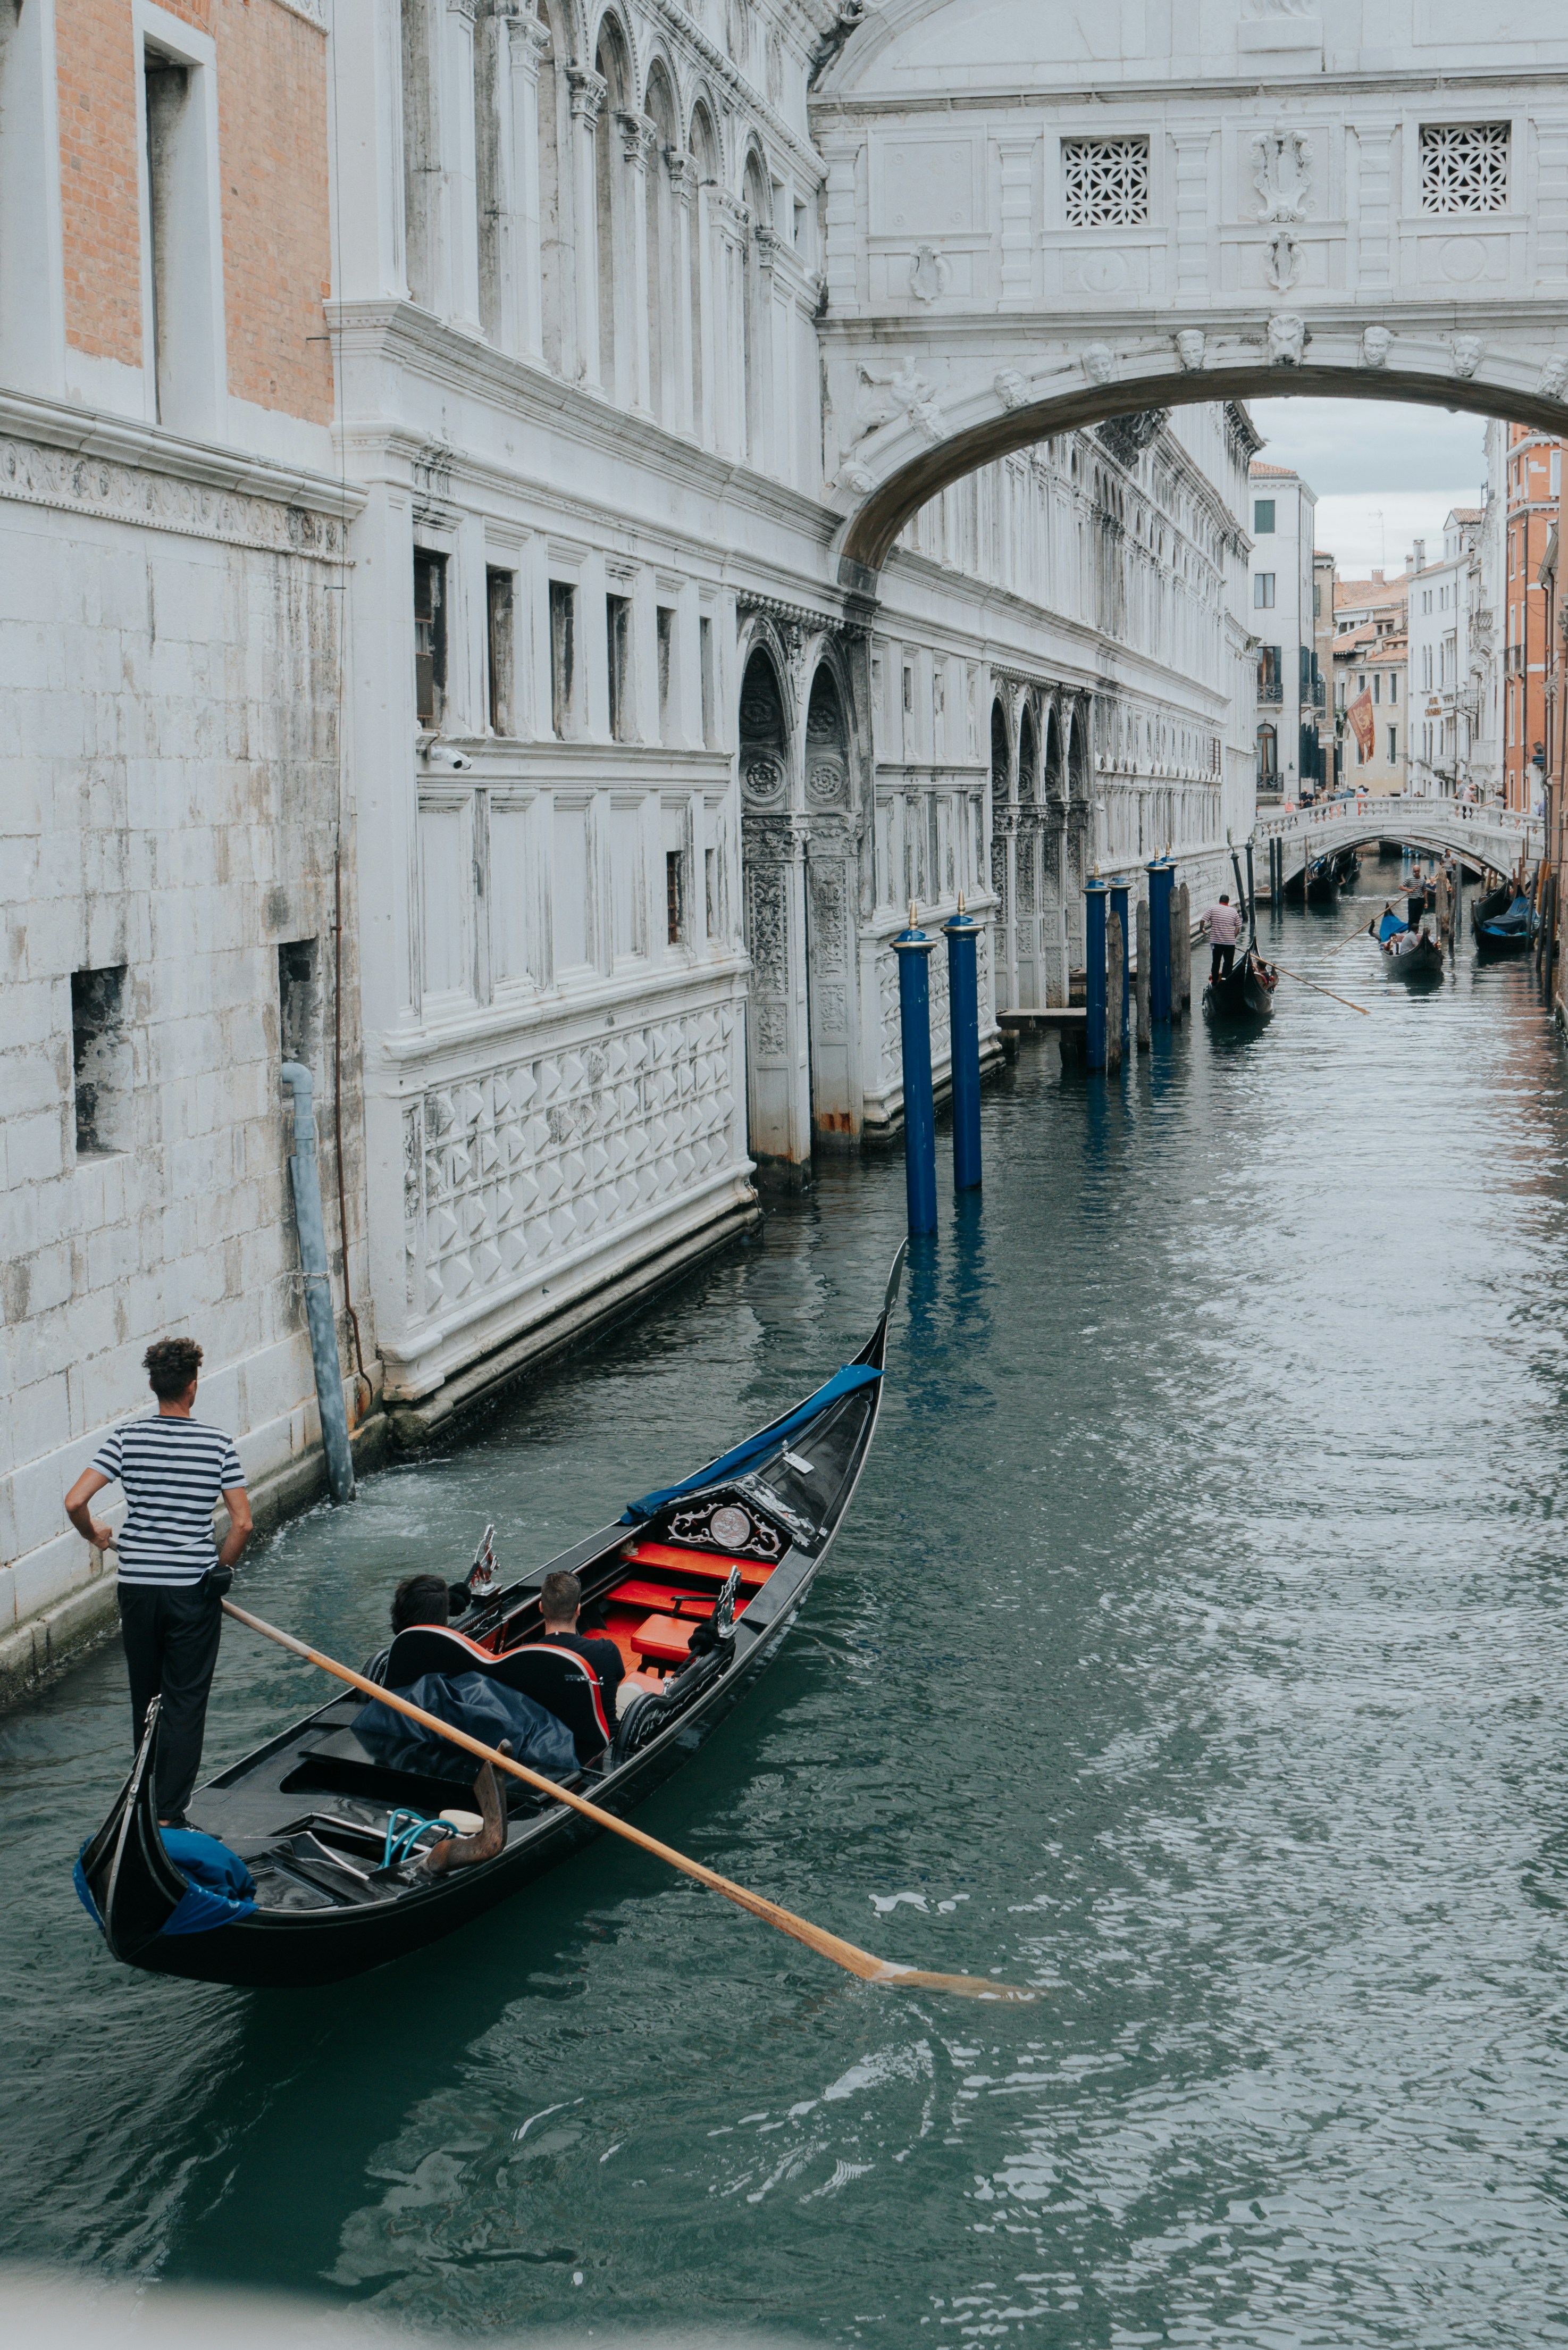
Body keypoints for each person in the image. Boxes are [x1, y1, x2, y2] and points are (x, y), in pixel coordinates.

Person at [64, 1337, 251, 1828]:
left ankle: (142, 1803)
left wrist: (96, 1533)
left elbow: (74, 1501)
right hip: (191, 1589)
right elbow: (243, 1523)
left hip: (138, 1587)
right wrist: (221, 1571)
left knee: (146, 1698)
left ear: (153, 1386)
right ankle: (169, 1815)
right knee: (185, 1701)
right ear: (193, 1387)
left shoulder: (125, 1439)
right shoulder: (217, 1444)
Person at [539, 1569, 662, 1716]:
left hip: (547, 1737)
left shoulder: (523, 1657)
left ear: (541, 1607)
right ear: (578, 1610)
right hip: (603, 1737)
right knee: (633, 1688)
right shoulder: (606, 1651)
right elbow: (613, 1688)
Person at [1202, 892, 1242, 983]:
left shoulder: (1213, 909)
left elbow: (1203, 920)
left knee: (1216, 961)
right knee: (1228, 962)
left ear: (1220, 901)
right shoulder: (1233, 911)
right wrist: (1233, 937)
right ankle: (1225, 979)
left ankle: (1215, 980)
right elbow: (1238, 927)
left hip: (1217, 942)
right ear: (1228, 902)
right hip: (1230, 943)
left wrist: (1202, 929)